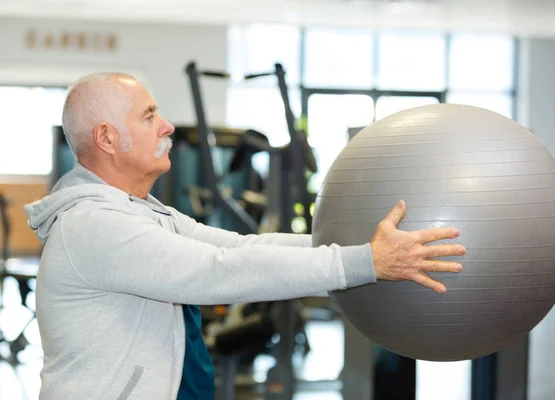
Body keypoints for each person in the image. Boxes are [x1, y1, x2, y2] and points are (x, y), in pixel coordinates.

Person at [24, 72, 466, 400]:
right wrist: (364, 262)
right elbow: (215, 272)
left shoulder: (143, 211)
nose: (167, 126)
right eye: (149, 116)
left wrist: (352, 246)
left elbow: (237, 246)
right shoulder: (93, 225)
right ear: (107, 137)